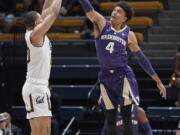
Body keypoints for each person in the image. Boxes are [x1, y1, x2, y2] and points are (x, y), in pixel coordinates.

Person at [78, 1, 166, 135]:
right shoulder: (102, 24)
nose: (114, 12)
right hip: (105, 77)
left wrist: (158, 81)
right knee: (111, 122)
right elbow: (90, 11)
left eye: (118, 11)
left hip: (123, 76)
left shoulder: (129, 34)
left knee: (127, 119)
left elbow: (141, 58)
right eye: (114, 10)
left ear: (124, 18)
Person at [21, 0, 62, 134]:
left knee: (40, 132)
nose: (43, 17)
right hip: (36, 87)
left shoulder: (36, 31)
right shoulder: (35, 35)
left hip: (37, 87)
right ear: (37, 23)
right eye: (40, 18)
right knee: (43, 131)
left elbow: (48, 7)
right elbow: (54, 12)